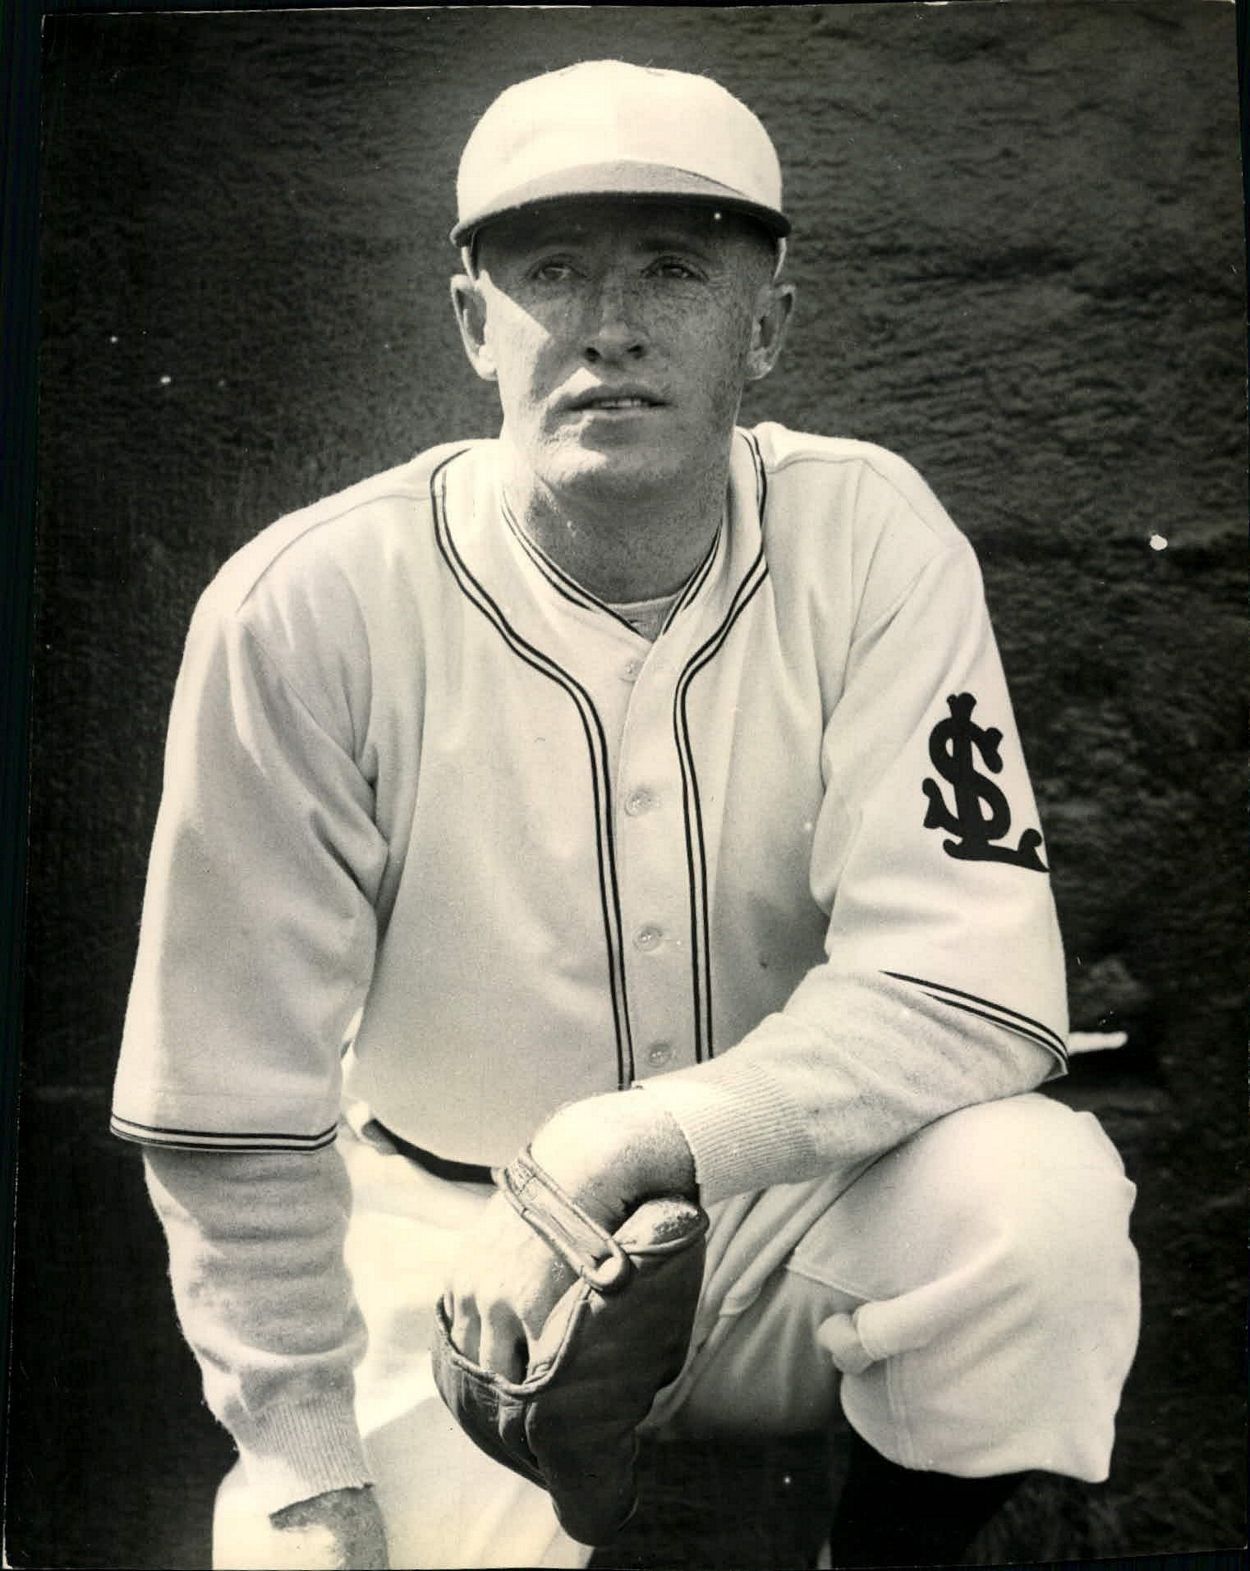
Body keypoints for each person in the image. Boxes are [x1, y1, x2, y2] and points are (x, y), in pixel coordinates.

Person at [111, 60, 1140, 1571]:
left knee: (1035, 1206)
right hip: (451, 1254)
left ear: (766, 326)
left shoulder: (869, 538)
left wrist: (627, 1142)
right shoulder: (306, 604)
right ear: (473, 322)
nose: (610, 325)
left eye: (673, 268)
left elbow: (970, 989)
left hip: (791, 1224)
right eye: (551, 272)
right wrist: (306, 1474)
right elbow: (227, 1099)